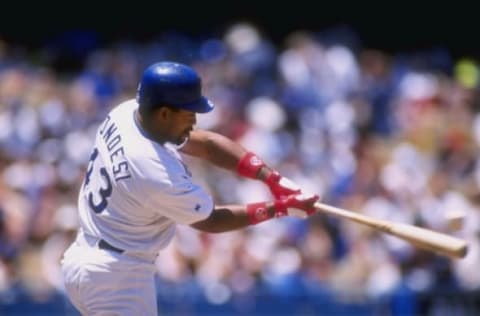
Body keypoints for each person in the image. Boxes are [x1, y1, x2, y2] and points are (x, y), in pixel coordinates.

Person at [60, 61, 319, 315]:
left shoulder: (127, 113)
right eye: (189, 113)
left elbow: (206, 145)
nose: (194, 121)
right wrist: (280, 209)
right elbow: (211, 220)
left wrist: (271, 178)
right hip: (117, 277)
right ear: (164, 113)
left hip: (91, 259)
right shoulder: (153, 171)